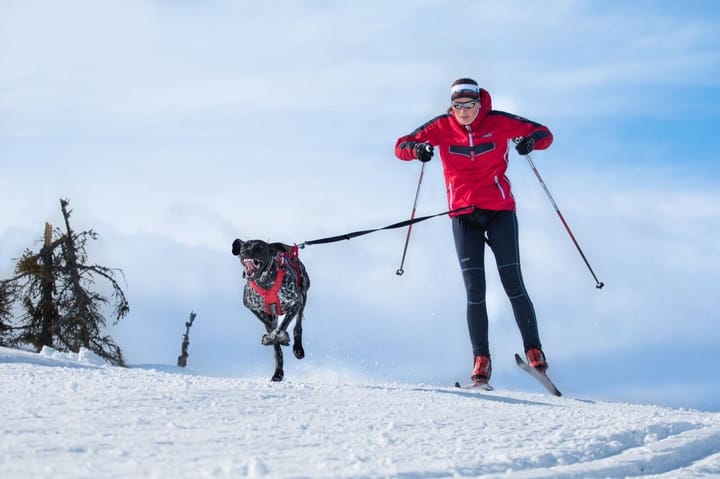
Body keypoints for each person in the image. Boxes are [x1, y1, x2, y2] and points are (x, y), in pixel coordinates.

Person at [394, 78, 553, 386]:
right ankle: (481, 360)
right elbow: (401, 145)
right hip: (463, 216)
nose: (463, 112)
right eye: (458, 106)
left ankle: (534, 350)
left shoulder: (499, 122)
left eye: (469, 106)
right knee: (474, 291)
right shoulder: (441, 127)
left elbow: (544, 133)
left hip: (500, 212)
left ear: (480, 103)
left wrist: (529, 142)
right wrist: (418, 150)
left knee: (513, 283)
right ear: (451, 106)